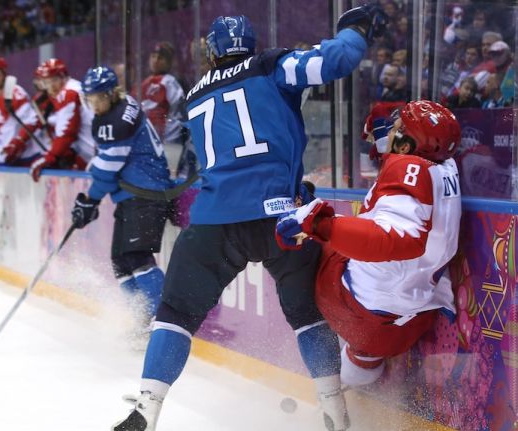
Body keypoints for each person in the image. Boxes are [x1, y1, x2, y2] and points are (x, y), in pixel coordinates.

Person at [111, 6, 387, 431]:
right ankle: (334, 408)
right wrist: (354, 27)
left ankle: (148, 406)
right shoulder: (270, 65)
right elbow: (339, 60)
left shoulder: (195, 93)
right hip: (282, 220)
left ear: (212, 50)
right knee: (308, 313)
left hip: (215, 219)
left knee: (175, 313)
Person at [274, 100, 461, 387]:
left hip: (354, 308)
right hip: (411, 318)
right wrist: (388, 135)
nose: (393, 129)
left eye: (398, 128)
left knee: (296, 244)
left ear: (405, 146)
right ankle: (360, 362)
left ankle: (323, 353)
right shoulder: (445, 166)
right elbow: (415, 152)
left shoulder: (408, 167)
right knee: (368, 342)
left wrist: (318, 222)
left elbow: (396, 238)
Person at [72, 66, 172, 337]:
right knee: (120, 260)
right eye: (88, 98)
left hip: (146, 194)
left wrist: (89, 200)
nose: (92, 103)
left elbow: (107, 169)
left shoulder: (116, 121)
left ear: (110, 93)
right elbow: (108, 160)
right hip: (133, 195)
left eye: (96, 97)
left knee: (137, 256)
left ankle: (162, 323)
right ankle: (140, 319)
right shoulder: (119, 108)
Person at [27, 58, 95, 180]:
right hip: (95, 153)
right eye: (47, 83)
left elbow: (67, 133)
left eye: (54, 80)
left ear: (63, 77)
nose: (51, 87)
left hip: (96, 156)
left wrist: (50, 156)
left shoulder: (67, 93)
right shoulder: (75, 86)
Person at [140, 41, 197, 179]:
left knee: (169, 179)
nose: (156, 60)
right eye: (153, 56)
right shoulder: (145, 82)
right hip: (149, 143)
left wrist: (173, 138)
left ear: (169, 62)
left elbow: (181, 113)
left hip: (169, 143)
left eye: (161, 58)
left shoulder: (170, 81)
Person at [0, 57, 43, 166]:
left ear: (5, 74)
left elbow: (32, 121)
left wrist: (18, 142)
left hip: (21, 158)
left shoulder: (15, 93)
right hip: (2, 158)